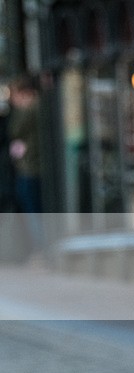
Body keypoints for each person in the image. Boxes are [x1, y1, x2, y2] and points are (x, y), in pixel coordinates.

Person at [8, 75, 46, 261]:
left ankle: (41, 250)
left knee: (33, 211)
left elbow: (14, 130)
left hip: (32, 168)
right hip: (31, 166)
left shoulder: (30, 109)